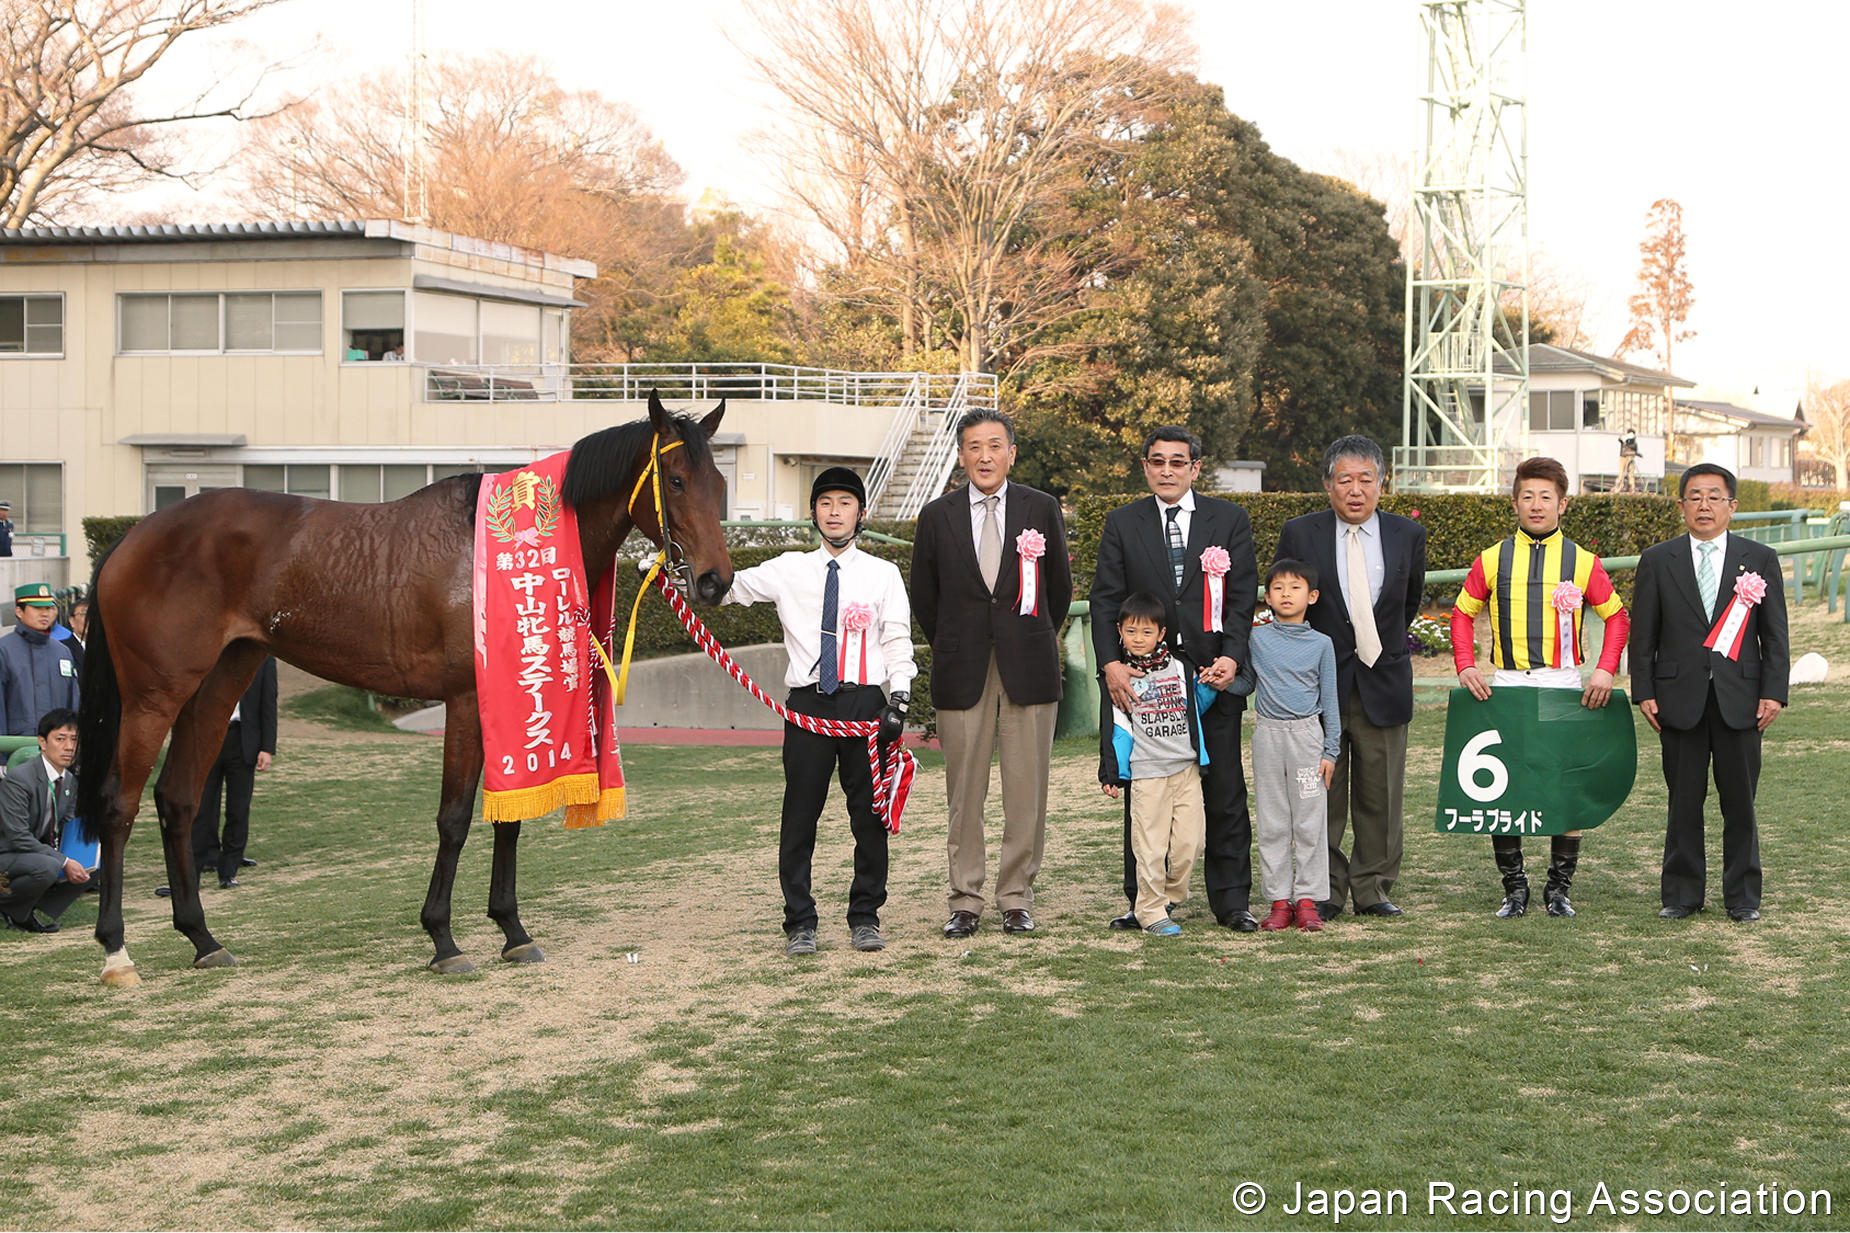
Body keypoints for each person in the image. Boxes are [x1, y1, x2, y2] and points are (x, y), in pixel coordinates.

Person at [724, 467, 915, 956]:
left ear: (861, 513)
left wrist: (900, 698)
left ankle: (865, 916)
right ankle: (800, 922)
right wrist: (677, 570)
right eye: (825, 502)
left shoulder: (882, 573)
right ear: (813, 513)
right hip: (808, 705)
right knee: (800, 814)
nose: (835, 511)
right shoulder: (788, 568)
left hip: (865, 706)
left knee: (868, 817)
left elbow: (896, 640)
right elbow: (727, 587)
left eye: (845, 503)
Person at [910, 409, 1072, 938]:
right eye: (974, 446)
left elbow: (1059, 591)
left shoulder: (1041, 508)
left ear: (1011, 453)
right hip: (963, 672)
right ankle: (965, 898)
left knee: (1026, 791)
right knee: (965, 794)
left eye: (995, 445)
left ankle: (1016, 896)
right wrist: (960, 643)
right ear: (961, 455)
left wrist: (1024, 637)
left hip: (1028, 667)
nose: (985, 455)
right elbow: (925, 599)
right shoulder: (937, 516)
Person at [1091, 425, 1259, 931]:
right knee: (1145, 797)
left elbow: (1242, 596)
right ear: (1145, 466)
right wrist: (1111, 663)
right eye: (1158, 460)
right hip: (1143, 686)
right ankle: (1143, 901)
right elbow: (1104, 601)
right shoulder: (1123, 523)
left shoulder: (1228, 519)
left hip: (1211, 680)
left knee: (1225, 793)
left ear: (1195, 468)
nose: (1167, 469)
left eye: (1178, 461)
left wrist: (1232, 657)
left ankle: (1232, 902)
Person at [1450, 457, 1630, 918]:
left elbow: (1617, 617)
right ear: (1514, 502)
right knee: (1504, 789)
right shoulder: (1491, 558)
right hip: (1506, 685)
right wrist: (1466, 664)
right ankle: (1514, 889)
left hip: (1564, 684)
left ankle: (1558, 890)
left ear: (1562, 504)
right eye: (1527, 496)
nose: (1536, 504)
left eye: (1545, 496)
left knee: (1563, 786)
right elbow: (1461, 613)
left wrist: (1606, 670)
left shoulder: (1583, 561)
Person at [1273, 436, 1426, 920]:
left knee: (1381, 792)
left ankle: (1373, 888)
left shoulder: (1406, 535)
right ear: (1327, 485)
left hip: (1384, 678)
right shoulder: (1301, 533)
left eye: (1366, 479)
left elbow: (1408, 603)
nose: (1355, 490)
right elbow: (1287, 597)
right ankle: (1325, 890)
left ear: (1383, 483)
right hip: (1316, 688)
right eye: (1345, 480)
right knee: (1323, 793)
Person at [1630, 463, 1789, 922]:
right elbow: (1644, 636)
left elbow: (1775, 635)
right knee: (1683, 801)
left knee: (1740, 802)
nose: (1704, 505)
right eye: (1695, 496)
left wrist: (1774, 692)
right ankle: (1681, 894)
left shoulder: (1758, 559)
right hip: (1676, 699)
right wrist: (1644, 690)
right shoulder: (1658, 560)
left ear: (1732, 507)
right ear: (1681, 506)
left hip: (1742, 700)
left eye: (1714, 497)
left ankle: (1742, 897)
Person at [1228, 562, 1341, 933]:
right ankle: (1279, 900)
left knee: (1309, 822)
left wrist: (1331, 751)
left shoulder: (1322, 644)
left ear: (1312, 597)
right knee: (1274, 821)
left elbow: (1331, 700)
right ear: (1267, 596)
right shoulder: (1256, 639)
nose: (1286, 594)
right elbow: (1245, 684)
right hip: (1268, 737)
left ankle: (1308, 900)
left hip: (1309, 739)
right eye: (1278, 588)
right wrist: (1218, 682)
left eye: (1295, 587)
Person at [1097, 593, 1216, 936]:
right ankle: (1150, 910)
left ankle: (1169, 897)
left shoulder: (1181, 667)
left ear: (1161, 633)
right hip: (1148, 773)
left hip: (1186, 768)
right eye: (1131, 631)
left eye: (1146, 632)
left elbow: (1194, 706)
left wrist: (1210, 686)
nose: (1138, 638)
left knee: (1190, 844)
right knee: (1149, 847)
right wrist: (1112, 774)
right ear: (1120, 631)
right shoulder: (1119, 679)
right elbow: (1117, 731)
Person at [191, 657, 279, 889]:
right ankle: (193, 870)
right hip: (208, 739)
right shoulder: (210, 647)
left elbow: (269, 703)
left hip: (242, 740)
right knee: (202, 808)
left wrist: (267, 748)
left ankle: (228, 870)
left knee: (238, 809)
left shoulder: (263, 657)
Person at [0, 708, 86, 933]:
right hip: (8, 853)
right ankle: (11, 908)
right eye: (60, 739)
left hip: (36, 852)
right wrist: (64, 861)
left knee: (93, 863)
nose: (69, 747)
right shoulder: (19, 779)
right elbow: (17, 837)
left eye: (74, 740)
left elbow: (69, 822)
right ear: (42, 742)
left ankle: (26, 906)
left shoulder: (69, 780)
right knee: (49, 866)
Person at [0, 582, 80, 737]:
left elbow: (74, 702)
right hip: (16, 750)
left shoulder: (62, 652)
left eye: (49, 608)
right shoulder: (4, 650)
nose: (45, 614)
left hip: (58, 750)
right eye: (37, 608)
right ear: (19, 611)